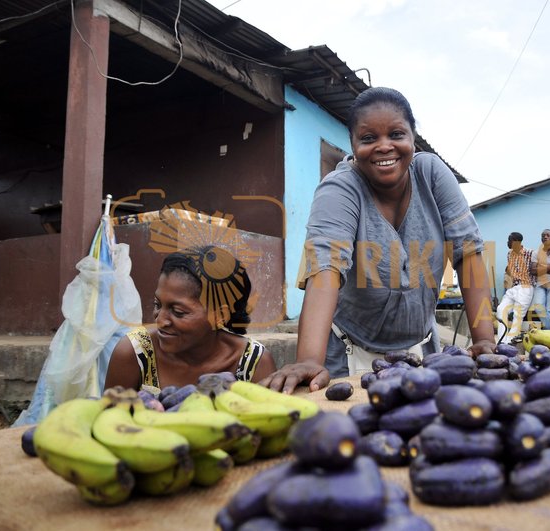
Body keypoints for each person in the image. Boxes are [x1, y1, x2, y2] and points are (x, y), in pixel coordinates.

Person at [260, 87, 496, 393]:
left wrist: (485, 341)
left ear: (413, 137)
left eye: (396, 134)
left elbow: (469, 254)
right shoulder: (341, 188)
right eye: (368, 138)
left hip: (423, 352)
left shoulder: (432, 175)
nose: (384, 147)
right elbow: (325, 269)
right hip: (348, 354)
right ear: (353, 145)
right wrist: (307, 359)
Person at [104, 246, 276, 391]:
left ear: (220, 316)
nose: (161, 320)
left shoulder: (253, 364)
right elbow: (109, 423)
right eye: (158, 305)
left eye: (178, 312)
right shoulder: (134, 353)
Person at [496, 232, 535, 343]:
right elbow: (510, 270)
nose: (507, 242)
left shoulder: (530, 253)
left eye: (509, 240)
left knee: (517, 316)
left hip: (526, 287)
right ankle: (502, 340)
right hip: (513, 288)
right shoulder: (510, 254)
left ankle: (510, 341)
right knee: (501, 309)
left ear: (516, 241)